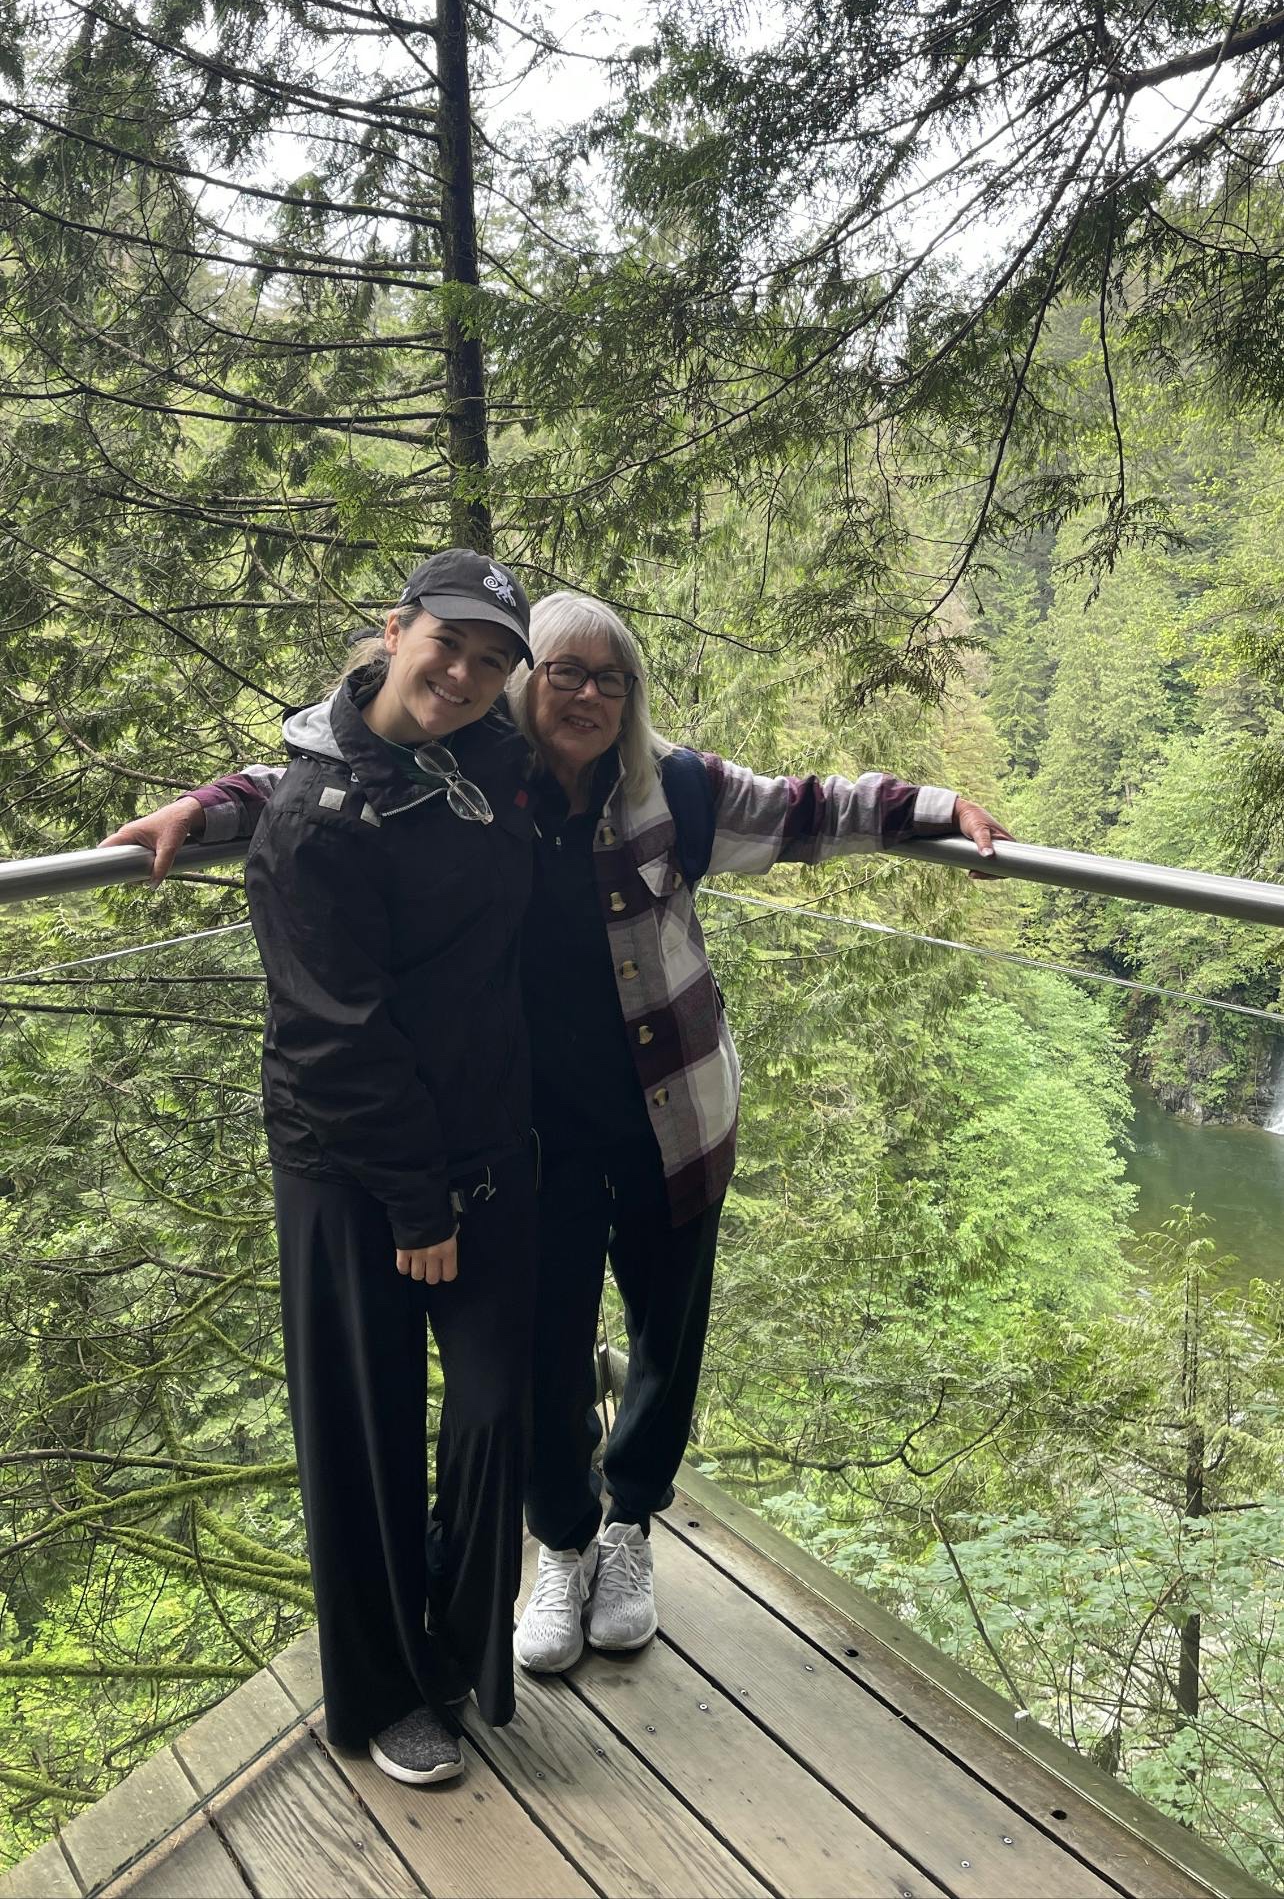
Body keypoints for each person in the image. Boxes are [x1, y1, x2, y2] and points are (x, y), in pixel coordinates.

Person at [104, 591, 1008, 1681]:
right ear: (527, 687)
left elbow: (812, 806)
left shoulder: (673, 789)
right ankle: (563, 1542)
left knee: (668, 1337)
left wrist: (939, 806)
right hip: (533, 1136)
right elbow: (321, 776)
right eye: (563, 673)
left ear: (631, 700)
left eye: (609, 678)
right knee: (542, 1349)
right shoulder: (479, 781)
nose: (585, 694)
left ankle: (631, 1525)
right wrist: (200, 811)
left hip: (674, 1118)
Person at [105, 550, 538, 1787]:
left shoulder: (492, 760)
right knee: (362, 1430)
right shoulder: (312, 820)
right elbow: (331, 1034)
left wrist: (908, 811)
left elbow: (624, 781)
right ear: (393, 630)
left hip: (488, 1144)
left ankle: (453, 1656)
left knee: (504, 1405)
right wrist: (415, 1200)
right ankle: (386, 1696)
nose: (464, 672)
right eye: (445, 643)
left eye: (492, 657)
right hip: (355, 1163)